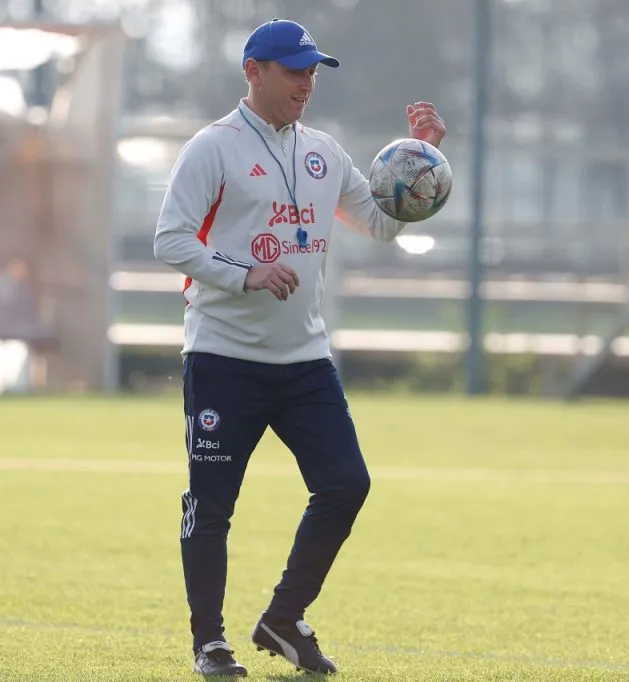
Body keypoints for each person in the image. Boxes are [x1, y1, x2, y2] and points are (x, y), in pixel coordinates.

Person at [153, 19, 446, 677]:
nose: (306, 82)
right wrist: (244, 272)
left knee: (346, 483)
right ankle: (210, 643)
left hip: (303, 361)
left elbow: (379, 224)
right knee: (212, 505)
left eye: (313, 71)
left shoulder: (324, 152)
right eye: (294, 70)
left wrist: (417, 164)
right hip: (223, 358)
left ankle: (283, 619)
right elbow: (171, 241)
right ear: (253, 71)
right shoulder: (213, 148)